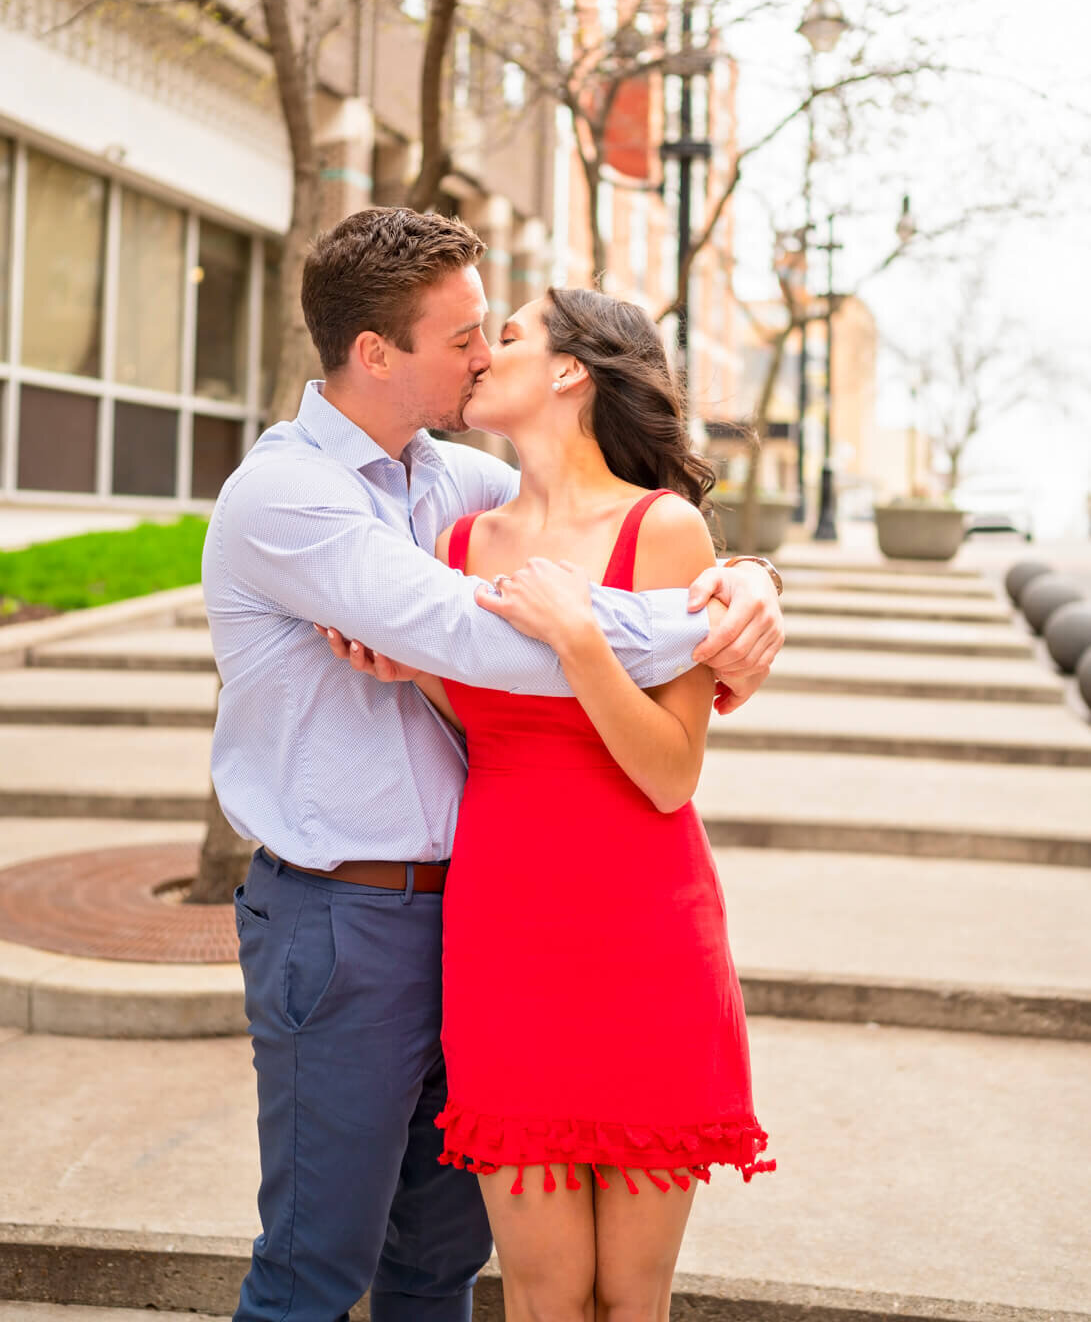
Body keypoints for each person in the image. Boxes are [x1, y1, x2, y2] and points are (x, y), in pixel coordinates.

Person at [202, 206, 784, 1322]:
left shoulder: (447, 486)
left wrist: (746, 583)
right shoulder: (291, 497)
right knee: (316, 1266)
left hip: (476, 917)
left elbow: (605, 527)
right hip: (344, 918)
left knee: (434, 1269)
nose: (479, 353)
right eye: (465, 334)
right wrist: (687, 625)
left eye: (493, 332)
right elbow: (479, 638)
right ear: (377, 352)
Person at [340, 285, 774, 1322]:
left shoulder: (660, 529)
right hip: (505, 931)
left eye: (513, 335)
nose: (485, 353)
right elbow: (498, 728)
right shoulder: (462, 545)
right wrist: (416, 675)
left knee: (628, 1293)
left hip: (644, 929)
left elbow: (668, 770)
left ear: (571, 369)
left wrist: (578, 635)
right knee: (538, 1288)